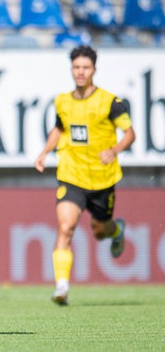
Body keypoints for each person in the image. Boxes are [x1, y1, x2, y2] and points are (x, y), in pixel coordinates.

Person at [35, 45, 135, 306]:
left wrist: (114, 150)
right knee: (66, 227)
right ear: (72, 69)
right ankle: (61, 287)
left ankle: (116, 231)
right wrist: (45, 152)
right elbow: (59, 128)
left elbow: (130, 134)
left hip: (102, 179)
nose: (81, 72)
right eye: (77, 67)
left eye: (86, 68)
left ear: (94, 70)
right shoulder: (62, 101)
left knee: (100, 231)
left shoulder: (111, 102)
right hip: (71, 175)